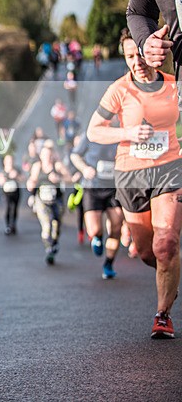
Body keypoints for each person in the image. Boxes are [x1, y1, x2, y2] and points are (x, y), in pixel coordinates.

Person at [87, 35, 182, 338]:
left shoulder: (173, 85)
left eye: (140, 55)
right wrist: (127, 132)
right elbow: (94, 131)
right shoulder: (118, 90)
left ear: (153, 54)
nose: (137, 63)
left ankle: (162, 315)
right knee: (146, 252)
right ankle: (171, 276)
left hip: (169, 170)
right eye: (130, 57)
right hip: (131, 176)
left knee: (165, 244)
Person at [69, 134, 125, 279]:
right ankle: (97, 237)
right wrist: (84, 169)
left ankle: (108, 264)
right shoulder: (89, 136)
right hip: (92, 186)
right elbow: (74, 155)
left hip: (113, 187)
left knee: (117, 224)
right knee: (94, 229)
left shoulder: (120, 134)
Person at [26, 140, 75, 265]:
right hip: (42, 200)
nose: (47, 158)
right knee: (46, 224)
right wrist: (31, 185)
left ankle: (54, 243)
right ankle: (49, 248)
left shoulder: (57, 166)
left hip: (56, 200)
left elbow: (70, 178)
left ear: (52, 155)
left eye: (49, 155)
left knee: (56, 225)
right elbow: (31, 182)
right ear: (41, 156)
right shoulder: (37, 166)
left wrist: (58, 178)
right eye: (44, 155)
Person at [0, 153, 24, 235]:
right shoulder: (3, 172)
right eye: (8, 161)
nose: (10, 162)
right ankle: (8, 226)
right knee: (8, 208)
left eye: (11, 161)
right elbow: (0, 181)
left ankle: (14, 225)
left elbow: (23, 179)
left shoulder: (16, 170)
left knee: (15, 208)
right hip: (7, 193)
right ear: (5, 162)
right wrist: (3, 179)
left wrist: (16, 176)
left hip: (16, 192)